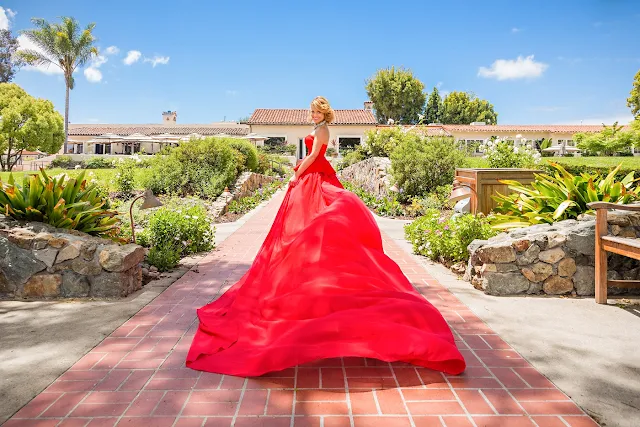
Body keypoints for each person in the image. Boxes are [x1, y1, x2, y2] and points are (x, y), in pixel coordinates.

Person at [186, 96, 466, 376]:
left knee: (323, 219)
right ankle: (308, 264)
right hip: (312, 177)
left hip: (315, 177)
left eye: (316, 111)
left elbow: (313, 156)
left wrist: (297, 174)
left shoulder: (322, 131)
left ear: (324, 113)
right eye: (311, 111)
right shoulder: (317, 128)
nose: (312, 115)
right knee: (306, 226)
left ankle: (317, 267)